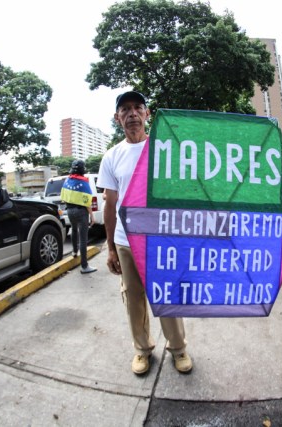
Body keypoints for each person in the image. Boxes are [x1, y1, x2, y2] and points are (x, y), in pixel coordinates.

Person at [96, 91, 192, 375]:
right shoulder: (112, 157)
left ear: (148, 114)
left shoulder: (165, 150)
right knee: (134, 299)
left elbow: (180, 194)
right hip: (127, 242)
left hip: (161, 240)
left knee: (167, 296)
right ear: (117, 118)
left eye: (138, 107)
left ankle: (178, 348)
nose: (132, 113)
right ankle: (142, 350)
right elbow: (110, 204)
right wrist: (111, 247)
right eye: (125, 109)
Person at [60, 159, 96, 274]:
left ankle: (74, 252)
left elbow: (63, 198)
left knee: (74, 231)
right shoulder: (84, 183)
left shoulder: (67, 181)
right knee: (83, 239)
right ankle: (84, 266)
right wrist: (92, 216)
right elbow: (87, 202)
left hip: (69, 211)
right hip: (81, 212)